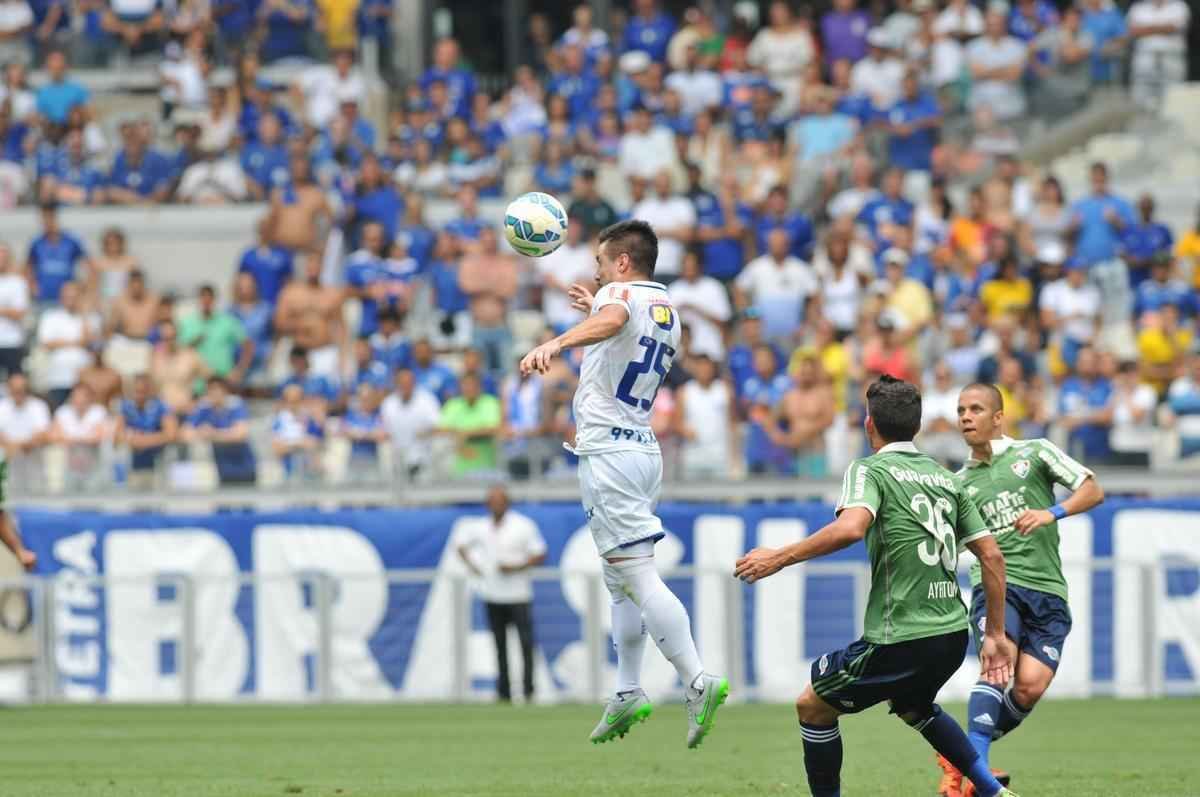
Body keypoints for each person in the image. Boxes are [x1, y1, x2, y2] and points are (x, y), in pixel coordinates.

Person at [735, 375, 1017, 797]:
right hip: (953, 633)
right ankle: (994, 792)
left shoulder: (870, 470)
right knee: (914, 705)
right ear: (916, 427)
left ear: (870, 425)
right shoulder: (947, 479)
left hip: (902, 634)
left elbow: (850, 528)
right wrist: (994, 634)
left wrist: (778, 556)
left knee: (811, 705)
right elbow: (993, 556)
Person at [520, 220, 728, 748]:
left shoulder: (617, 296)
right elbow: (621, 324)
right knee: (619, 579)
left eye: (599, 263)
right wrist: (597, 307)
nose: (595, 272)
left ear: (621, 263)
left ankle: (696, 680)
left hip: (610, 452)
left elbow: (614, 318)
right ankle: (628, 689)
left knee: (636, 574)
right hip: (641, 448)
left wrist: (561, 340)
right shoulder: (668, 309)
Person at [938, 382, 1105, 796]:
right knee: (999, 663)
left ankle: (958, 756)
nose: (965, 416)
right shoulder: (959, 485)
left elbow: (1093, 490)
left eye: (975, 408)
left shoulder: (1035, 452)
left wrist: (1052, 512)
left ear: (998, 417)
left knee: (1029, 686)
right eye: (960, 410)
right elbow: (946, 546)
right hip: (996, 587)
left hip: (1047, 588)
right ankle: (977, 782)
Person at [456, 485, 547, 703]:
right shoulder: (480, 527)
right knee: (499, 646)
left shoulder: (522, 525)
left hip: (519, 595)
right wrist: (475, 567)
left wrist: (516, 567)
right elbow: (461, 546)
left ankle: (528, 691)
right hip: (493, 595)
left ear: (507, 503)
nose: (496, 505)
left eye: (500, 501)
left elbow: (539, 553)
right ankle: (503, 691)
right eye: (492, 501)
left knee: (525, 644)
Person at [117, 373, 177, 491]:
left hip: (158, 463)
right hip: (134, 465)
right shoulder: (126, 407)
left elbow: (171, 434)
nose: (139, 395)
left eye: (143, 391)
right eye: (136, 391)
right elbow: (118, 435)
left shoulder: (161, 407)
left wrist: (143, 441)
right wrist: (133, 440)